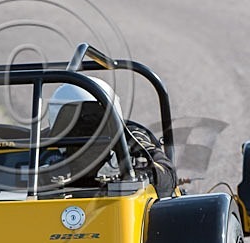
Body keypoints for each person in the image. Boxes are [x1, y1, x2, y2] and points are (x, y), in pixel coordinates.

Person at [47, 78, 177, 197]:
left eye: (97, 118)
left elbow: (166, 171)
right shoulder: (43, 148)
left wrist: (137, 175)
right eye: (76, 121)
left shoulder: (131, 137)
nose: (88, 128)